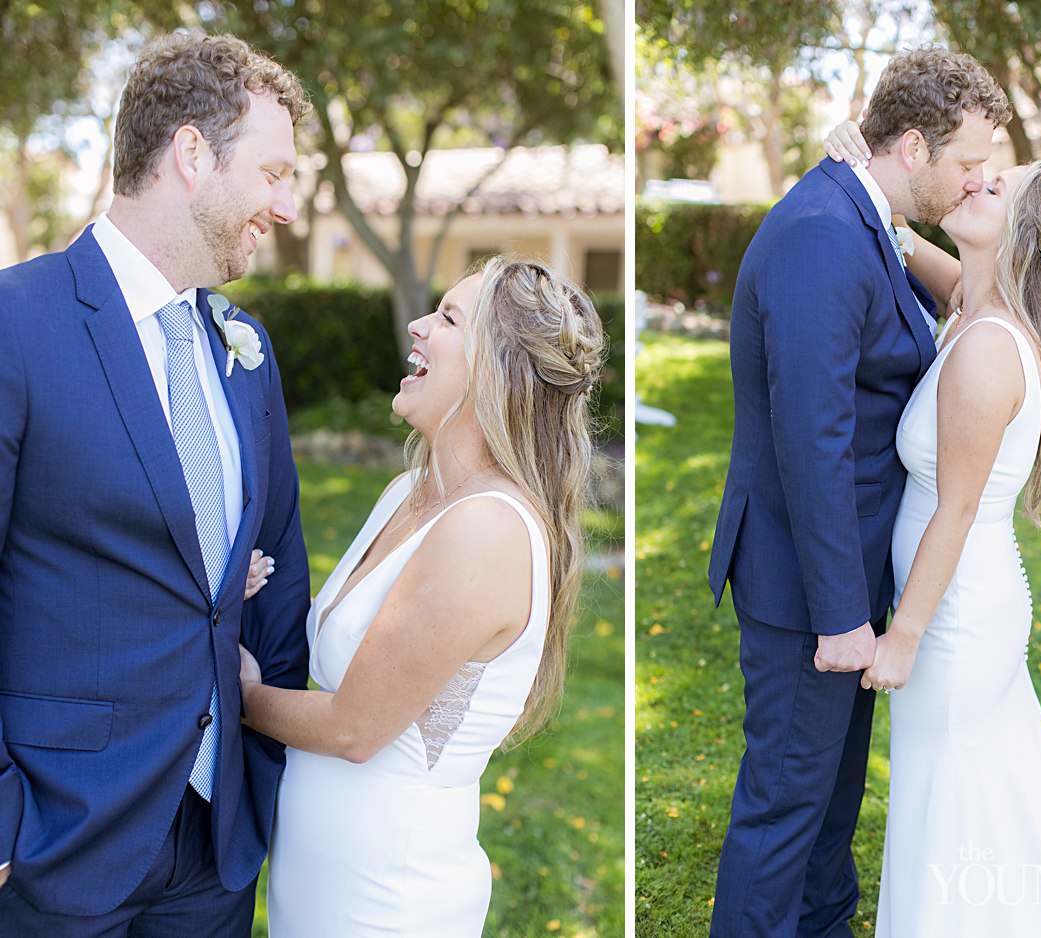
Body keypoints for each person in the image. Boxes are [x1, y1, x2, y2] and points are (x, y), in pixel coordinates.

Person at [0, 33, 312, 935]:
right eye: (273, 172)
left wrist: (264, 787)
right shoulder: (18, 325)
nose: (286, 206)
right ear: (190, 154)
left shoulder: (244, 352)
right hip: (55, 850)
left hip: (214, 858)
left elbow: (276, 576)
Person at [826, 123, 1041, 935]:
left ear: (1013, 233)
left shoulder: (986, 349)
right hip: (965, 606)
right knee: (991, 800)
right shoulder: (975, 307)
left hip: (951, 620)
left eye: (992, 186)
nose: (974, 182)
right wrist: (862, 176)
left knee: (952, 814)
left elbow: (957, 508)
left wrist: (902, 636)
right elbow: (909, 246)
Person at [705, 48, 1012, 937]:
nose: (975, 182)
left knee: (828, 813)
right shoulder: (822, 233)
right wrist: (843, 615)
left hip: (843, 580)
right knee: (784, 813)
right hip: (809, 588)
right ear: (913, 147)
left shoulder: (866, 215)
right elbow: (814, 441)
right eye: (967, 163)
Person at [239, 257, 604, 936]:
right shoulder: (407, 495)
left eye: (447, 317)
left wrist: (242, 693)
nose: (417, 324)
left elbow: (355, 728)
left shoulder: (487, 529)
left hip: (388, 894)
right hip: (320, 881)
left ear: (497, 368)